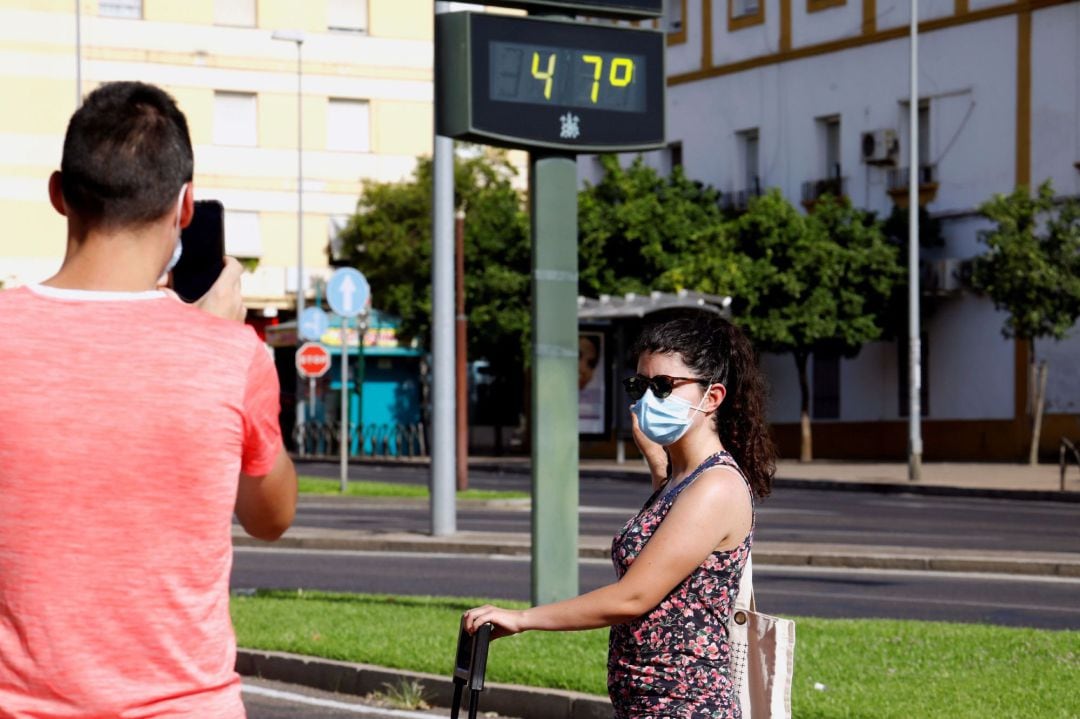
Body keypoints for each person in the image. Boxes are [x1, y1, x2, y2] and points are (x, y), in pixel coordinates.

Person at [0, 82, 298, 718]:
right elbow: (271, 516)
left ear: (59, 194)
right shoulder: (230, 355)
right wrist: (218, 337)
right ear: (186, 206)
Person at [464, 311, 775, 718]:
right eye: (640, 385)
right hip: (650, 705)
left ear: (712, 397)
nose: (647, 399)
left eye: (663, 386)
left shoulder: (716, 487)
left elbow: (634, 596)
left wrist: (522, 618)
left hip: (685, 706)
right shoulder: (684, 479)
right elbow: (670, 539)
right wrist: (657, 462)